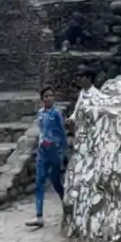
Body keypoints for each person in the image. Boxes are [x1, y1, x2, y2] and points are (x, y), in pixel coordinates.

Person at [27, 86, 68, 228]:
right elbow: (41, 129)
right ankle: (39, 216)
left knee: (56, 182)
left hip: (54, 151)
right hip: (42, 151)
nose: (49, 98)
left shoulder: (56, 113)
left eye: (51, 95)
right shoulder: (40, 114)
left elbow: (62, 132)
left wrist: (64, 151)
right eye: (46, 96)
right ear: (42, 99)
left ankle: (66, 205)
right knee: (39, 182)